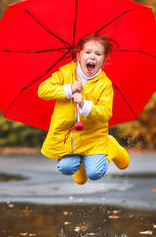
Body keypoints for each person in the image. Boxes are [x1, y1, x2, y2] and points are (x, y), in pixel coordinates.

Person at [37, 33, 129, 185]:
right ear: (78, 55)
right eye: (88, 52)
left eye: (98, 54)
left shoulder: (104, 84)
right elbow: (43, 90)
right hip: (70, 138)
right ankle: (79, 161)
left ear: (104, 60)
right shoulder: (66, 72)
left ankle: (111, 146)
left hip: (94, 138)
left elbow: (106, 113)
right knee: (65, 168)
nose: (92, 57)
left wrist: (84, 105)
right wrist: (68, 89)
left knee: (94, 173)